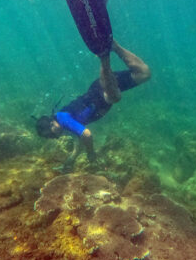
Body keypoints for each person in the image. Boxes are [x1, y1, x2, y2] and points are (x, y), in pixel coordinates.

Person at [35, 39, 150, 170]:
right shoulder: (62, 120)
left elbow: (86, 135)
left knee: (114, 97)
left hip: (100, 95)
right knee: (144, 73)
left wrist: (91, 153)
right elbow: (80, 137)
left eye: (50, 135)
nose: (55, 137)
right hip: (98, 91)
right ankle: (115, 46)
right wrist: (72, 159)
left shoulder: (63, 119)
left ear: (51, 124)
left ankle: (104, 56)